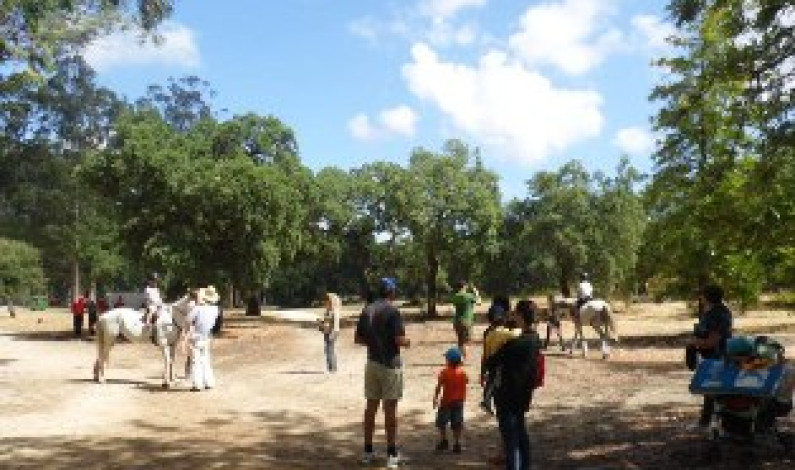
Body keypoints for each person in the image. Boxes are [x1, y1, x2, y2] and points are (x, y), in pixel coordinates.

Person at [354, 277, 410, 469]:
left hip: (372, 363)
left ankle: (368, 451)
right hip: (390, 365)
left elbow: (358, 339)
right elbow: (399, 340)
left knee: (371, 407)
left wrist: (374, 342)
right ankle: (392, 453)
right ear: (392, 292)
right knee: (390, 410)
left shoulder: (367, 309)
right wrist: (407, 342)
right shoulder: (393, 311)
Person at [484, 299, 543, 470]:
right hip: (523, 394)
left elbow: (491, 362)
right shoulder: (535, 338)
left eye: (515, 313)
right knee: (521, 435)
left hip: (507, 394)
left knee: (511, 441)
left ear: (521, 316)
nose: (513, 316)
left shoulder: (515, 342)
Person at [687, 284, 733, 427]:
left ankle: (710, 423)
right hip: (719, 354)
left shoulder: (715, 314)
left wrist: (694, 342)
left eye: (703, 295)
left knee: (713, 390)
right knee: (711, 391)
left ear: (707, 297)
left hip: (715, 356)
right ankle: (707, 421)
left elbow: (713, 340)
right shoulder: (723, 311)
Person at [480, 304, 522, 415]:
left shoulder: (488, 333)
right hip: (500, 364)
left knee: (491, 380)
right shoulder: (504, 333)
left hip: (490, 361)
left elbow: (484, 353)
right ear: (504, 318)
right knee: (495, 382)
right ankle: (486, 400)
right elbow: (518, 334)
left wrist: (482, 371)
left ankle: (487, 400)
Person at [433, 347, 468, 453]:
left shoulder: (444, 372)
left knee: (441, 422)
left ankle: (444, 440)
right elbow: (467, 381)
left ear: (448, 361)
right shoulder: (462, 373)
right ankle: (457, 443)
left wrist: (435, 397)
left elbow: (439, 386)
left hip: (446, 402)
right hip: (459, 402)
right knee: (457, 423)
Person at [187, 286, 220, 392]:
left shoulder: (198, 309)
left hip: (197, 337)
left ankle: (197, 384)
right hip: (207, 336)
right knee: (206, 359)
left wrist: (193, 307)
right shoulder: (216, 309)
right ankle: (209, 382)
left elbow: (188, 320)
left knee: (196, 361)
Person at [450, 280, 481, 361]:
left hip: (456, 321)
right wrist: (476, 291)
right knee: (466, 342)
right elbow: (479, 302)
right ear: (464, 286)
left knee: (460, 341)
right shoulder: (469, 296)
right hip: (467, 320)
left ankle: (460, 358)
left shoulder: (455, 296)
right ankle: (464, 359)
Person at [318, 292, 341, 373]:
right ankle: (330, 367)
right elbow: (326, 322)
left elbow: (336, 324)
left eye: (327, 299)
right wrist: (321, 323)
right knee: (327, 349)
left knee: (330, 349)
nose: (325, 301)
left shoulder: (335, 311)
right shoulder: (327, 311)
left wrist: (332, 333)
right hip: (327, 332)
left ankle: (333, 368)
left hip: (332, 332)